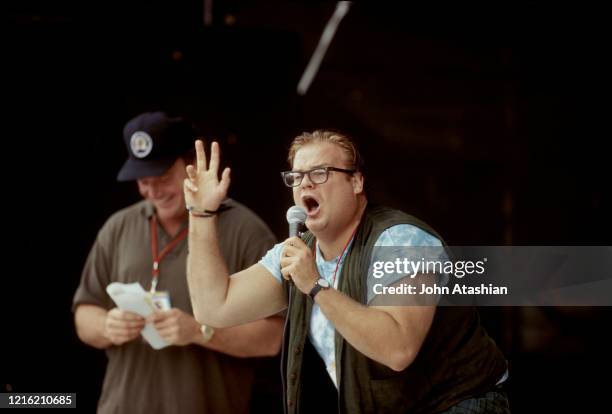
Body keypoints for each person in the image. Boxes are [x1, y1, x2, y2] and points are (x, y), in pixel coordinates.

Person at [184, 129, 510, 413]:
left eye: (321, 172)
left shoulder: (402, 240)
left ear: (356, 181)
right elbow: (214, 307)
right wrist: (201, 214)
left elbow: (397, 349)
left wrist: (315, 285)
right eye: (296, 176)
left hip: (456, 404)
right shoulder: (299, 252)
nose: (305, 183)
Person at [73, 111, 283, 414]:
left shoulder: (245, 230)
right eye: (143, 181)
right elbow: (84, 313)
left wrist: (200, 332)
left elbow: (273, 338)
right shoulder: (118, 227)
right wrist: (107, 325)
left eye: (162, 178)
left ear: (192, 168)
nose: (153, 191)